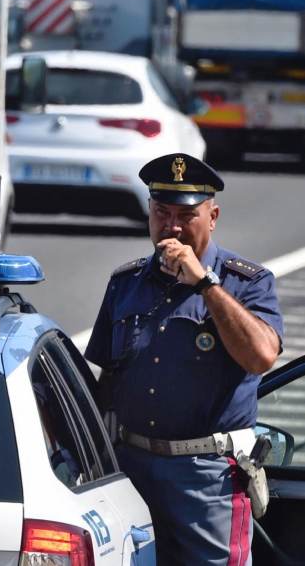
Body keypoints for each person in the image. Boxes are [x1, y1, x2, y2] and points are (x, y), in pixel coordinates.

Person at [86, 153, 283, 566]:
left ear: (212, 217)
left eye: (186, 215)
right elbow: (104, 382)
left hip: (207, 477)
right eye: (162, 212)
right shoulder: (126, 283)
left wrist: (205, 284)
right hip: (131, 469)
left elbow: (262, 356)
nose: (172, 226)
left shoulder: (245, 283)